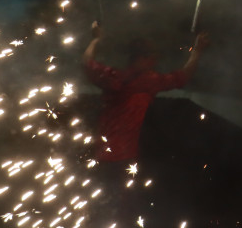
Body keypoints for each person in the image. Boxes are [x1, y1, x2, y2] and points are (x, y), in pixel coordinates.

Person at [83, 21, 210, 164]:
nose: (155, 61)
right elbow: (182, 77)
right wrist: (197, 51)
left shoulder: (112, 75)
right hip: (124, 157)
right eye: (152, 56)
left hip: (100, 154)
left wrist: (95, 40)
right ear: (141, 58)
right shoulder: (148, 80)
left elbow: (87, 62)